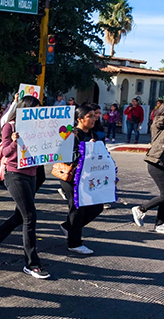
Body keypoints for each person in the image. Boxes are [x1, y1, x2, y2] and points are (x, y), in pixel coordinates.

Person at [0, 96, 50, 279]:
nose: (38, 112)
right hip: (15, 175)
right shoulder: (10, 126)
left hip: (32, 174)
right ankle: (32, 263)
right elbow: (4, 151)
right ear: (25, 110)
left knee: (20, 215)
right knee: (30, 215)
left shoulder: (40, 127)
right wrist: (14, 141)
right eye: (35, 109)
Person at [59, 105, 104, 254]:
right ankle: (74, 243)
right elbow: (67, 157)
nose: (93, 118)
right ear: (79, 119)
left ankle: (69, 227)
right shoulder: (72, 134)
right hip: (71, 177)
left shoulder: (93, 134)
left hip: (88, 177)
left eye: (94, 115)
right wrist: (86, 150)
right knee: (77, 208)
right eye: (89, 116)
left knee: (97, 207)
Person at [132, 103, 164, 233]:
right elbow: (157, 122)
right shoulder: (158, 125)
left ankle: (160, 224)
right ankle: (140, 209)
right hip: (156, 162)